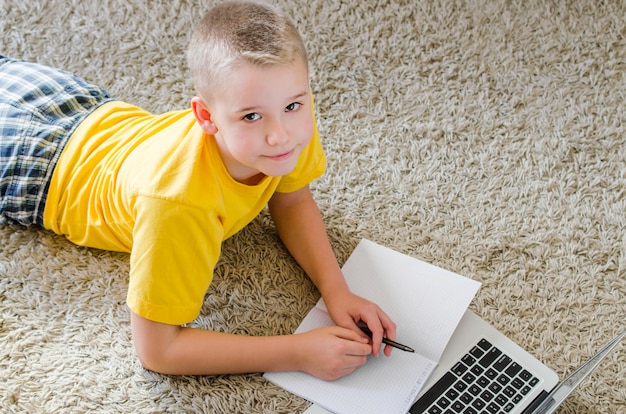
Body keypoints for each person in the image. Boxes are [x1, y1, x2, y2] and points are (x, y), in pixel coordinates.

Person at [0, 0, 396, 381]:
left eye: (294, 105)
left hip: (89, 109)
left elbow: (291, 200)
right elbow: (158, 351)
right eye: (251, 116)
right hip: (35, 168)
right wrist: (296, 352)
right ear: (206, 116)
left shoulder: (289, 131)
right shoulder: (179, 204)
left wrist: (337, 292)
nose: (279, 135)